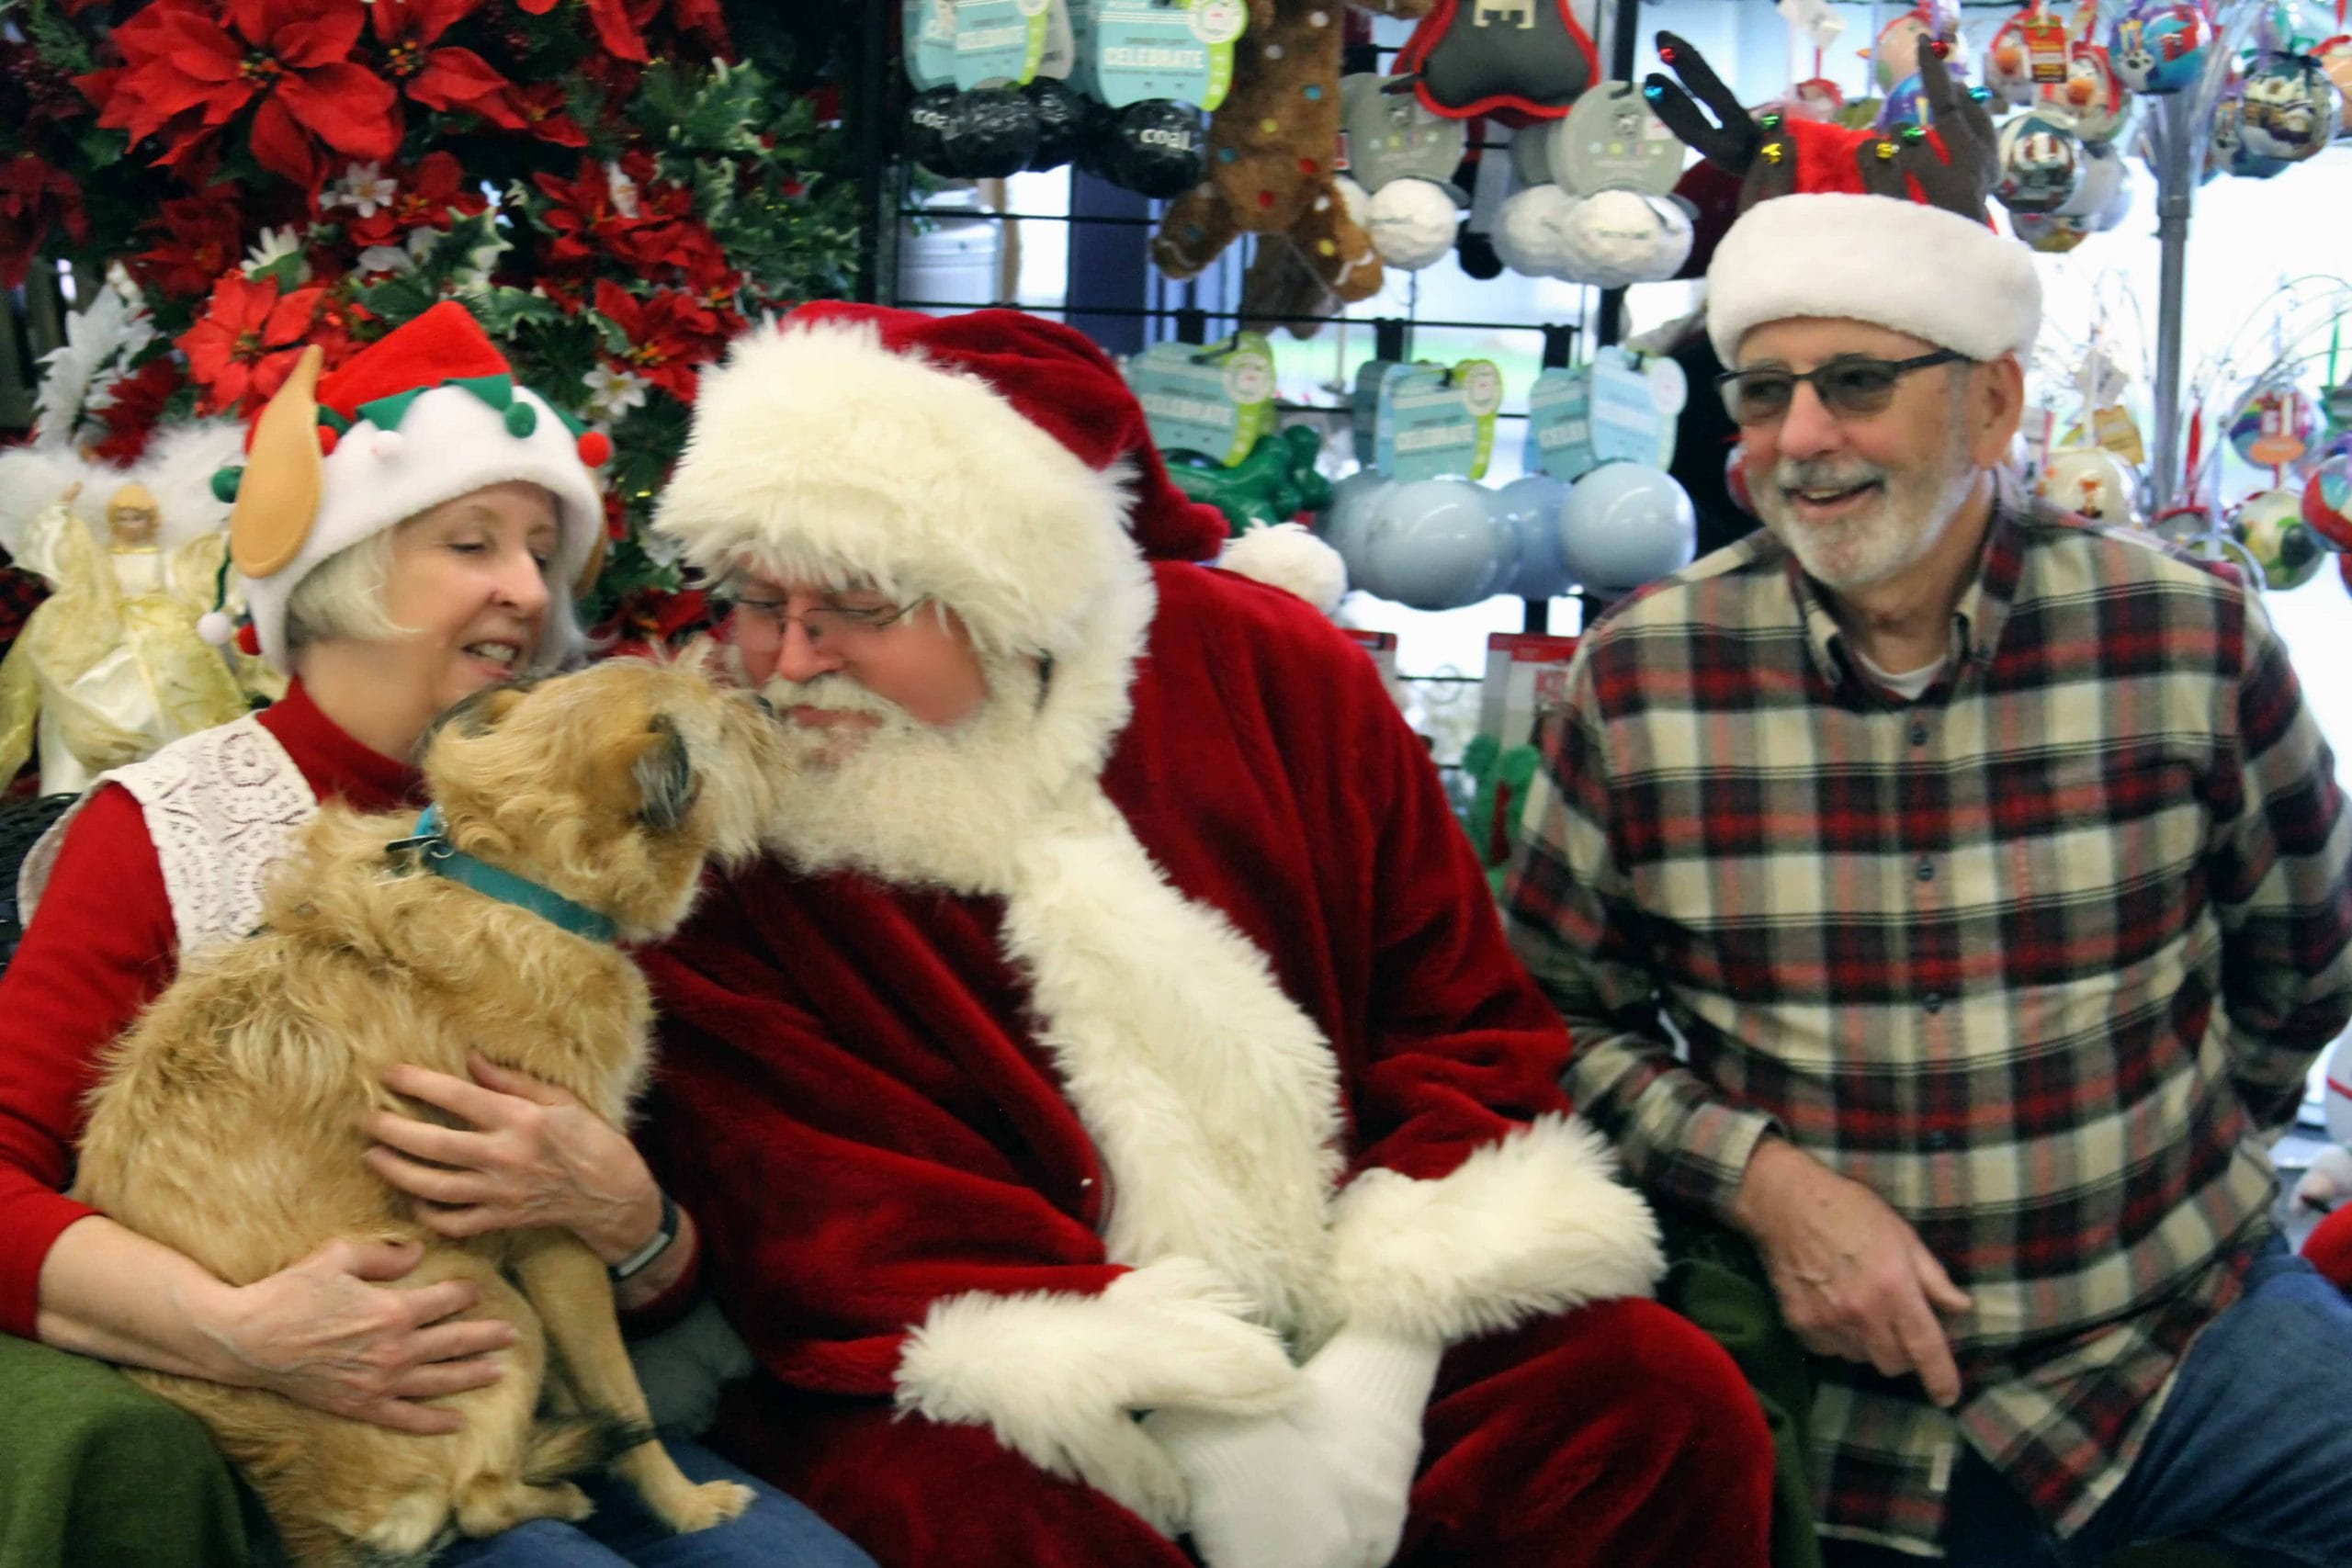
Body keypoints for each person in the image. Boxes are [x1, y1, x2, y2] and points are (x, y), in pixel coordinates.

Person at [631, 301, 1776, 1568]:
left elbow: (1458, 1020)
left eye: (857, 608)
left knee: (1651, 1402)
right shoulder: (722, 812)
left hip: (1346, 1278)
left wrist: (1388, 1353)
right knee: (990, 1527)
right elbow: (811, 1195)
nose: (789, 663)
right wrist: (1197, 1404)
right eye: (752, 602)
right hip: (975, 1349)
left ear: (1012, 599)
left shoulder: (1267, 673)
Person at [1505, 33, 2352, 1568]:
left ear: (1996, 401)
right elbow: (1550, 1022)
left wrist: (2175, 1170)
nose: (1799, 440)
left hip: (2185, 1341)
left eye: (1856, 385)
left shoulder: (2190, 635)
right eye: (1763, 394)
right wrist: (1764, 1185)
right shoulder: (1646, 682)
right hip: (1850, 1394)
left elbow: (2307, 956)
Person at [0, 302, 870, 1568]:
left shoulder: (604, 818)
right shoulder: (166, 826)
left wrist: (631, 1216)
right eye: (472, 543)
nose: (529, 589)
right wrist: (230, 1325)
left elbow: (665, 1264)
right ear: (345, 572)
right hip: (306, 1437)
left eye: (541, 550)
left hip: (549, 1411)